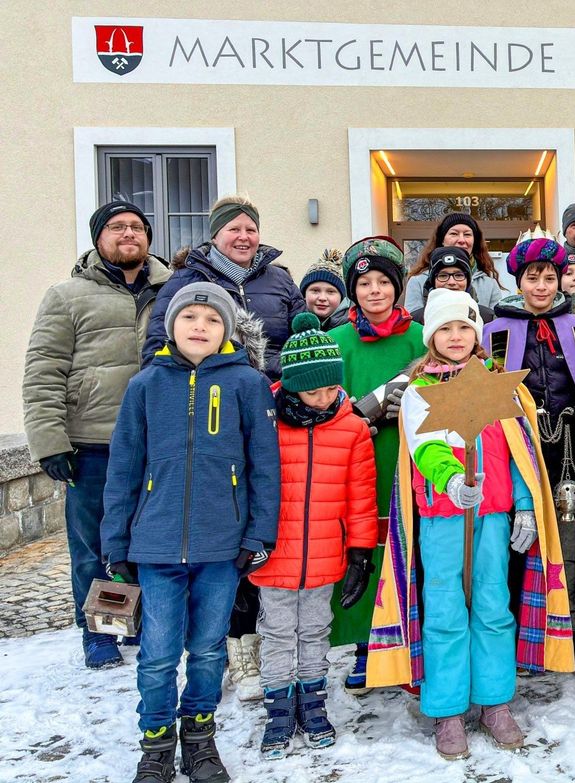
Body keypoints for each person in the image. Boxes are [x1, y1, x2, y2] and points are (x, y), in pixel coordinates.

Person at [367, 288, 574, 759]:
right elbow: (426, 447)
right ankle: (447, 710)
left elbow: (518, 450)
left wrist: (524, 504)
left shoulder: (500, 385)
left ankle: (495, 702)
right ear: (431, 336)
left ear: (476, 333)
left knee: (493, 606)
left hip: (494, 514)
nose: (456, 336)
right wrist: (449, 479)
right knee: (444, 612)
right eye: (445, 328)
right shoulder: (420, 390)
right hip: (444, 516)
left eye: (464, 327)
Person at [100, 282, 280, 783]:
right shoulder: (145, 386)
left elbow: (265, 466)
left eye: (211, 319)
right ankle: (156, 742)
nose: (199, 327)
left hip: (222, 547)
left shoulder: (245, 383)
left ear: (226, 329)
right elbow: (124, 468)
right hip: (155, 547)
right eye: (189, 318)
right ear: (170, 326)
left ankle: (200, 736)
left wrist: (259, 534)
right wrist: (115, 542)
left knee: (206, 649)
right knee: (157, 653)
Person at [22, 199, 172, 669]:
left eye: (137, 227)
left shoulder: (173, 288)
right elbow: (43, 371)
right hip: (94, 442)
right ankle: (102, 632)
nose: (128, 233)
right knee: (94, 545)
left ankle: (143, 621)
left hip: (158, 440)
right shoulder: (66, 296)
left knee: (150, 540)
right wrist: (50, 442)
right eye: (116, 226)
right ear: (98, 238)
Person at [251, 313, 379, 760]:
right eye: (313, 390)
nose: (324, 399)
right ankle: (278, 711)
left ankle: (313, 704)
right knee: (278, 633)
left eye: (331, 388)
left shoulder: (352, 428)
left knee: (316, 631)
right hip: (273, 555)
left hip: (326, 553)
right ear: (290, 385)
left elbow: (361, 496)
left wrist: (361, 552)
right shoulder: (265, 423)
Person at [484, 232, 575, 670]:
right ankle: (525, 631)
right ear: (518, 281)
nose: (541, 286)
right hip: (522, 455)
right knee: (521, 540)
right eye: (533, 277)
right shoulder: (496, 331)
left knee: (570, 538)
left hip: (573, 454)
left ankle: (571, 630)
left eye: (549, 277)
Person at [328, 236, 426, 692]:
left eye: (383, 282)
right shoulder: (336, 341)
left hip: (409, 461)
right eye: (364, 283)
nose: (374, 291)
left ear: (397, 288)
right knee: (363, 549)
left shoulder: (421, 338)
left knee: (409, 549)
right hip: (357, 463)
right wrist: (354, 417)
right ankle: (367, 645)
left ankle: (408, 642)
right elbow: (322, 403)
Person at [144, 194, 305, 379]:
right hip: (211, 394)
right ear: (215, 236)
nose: (243, 237)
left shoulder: (281, 281)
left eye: (251, 230)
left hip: (275, 395)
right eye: (234, 229)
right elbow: (157, 347)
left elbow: (304, 342)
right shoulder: (184, 281)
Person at [405, 213, 505, 311]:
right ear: (442, 240)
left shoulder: (489, 283)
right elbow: (412, 322)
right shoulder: (418, 281)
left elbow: (496, 323)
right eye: (454, 233)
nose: (461, 240)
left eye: (467, 234)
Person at [412, 246, 495, 323]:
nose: (451, 282)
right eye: (443, 276)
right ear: (433, 281)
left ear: (468, 280)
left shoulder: (488, 319)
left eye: (458, 275)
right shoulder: (415, 321)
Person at [300, 250, 348, 330]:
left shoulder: (353, 327)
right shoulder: (291, 325)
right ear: (304, 294)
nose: (322, 298)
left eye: (330, 292)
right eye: (315, 291)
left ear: (341, 298)